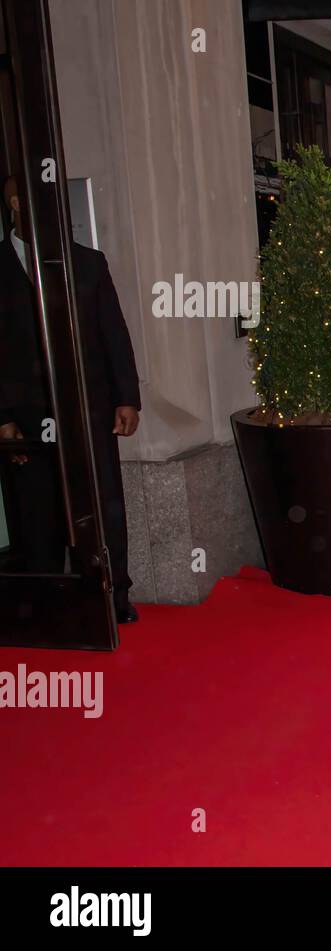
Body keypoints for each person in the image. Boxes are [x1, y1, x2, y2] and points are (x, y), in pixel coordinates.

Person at [1, 174, 141, 623]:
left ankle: (112, 597)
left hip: (88, 410)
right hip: (24, 416)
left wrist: (127, 398)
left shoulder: (88, 263)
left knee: (102, 508)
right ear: (17, 203)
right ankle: (43, 604)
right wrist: (2, 418)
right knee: (34, 512)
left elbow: (113, 335)